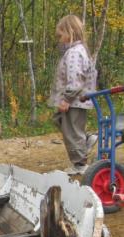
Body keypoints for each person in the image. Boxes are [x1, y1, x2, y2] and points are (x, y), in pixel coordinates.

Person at [48, 14, 98, 175]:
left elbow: (76, 77)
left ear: (70, 32)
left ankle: (80, 164)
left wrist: (67, 99)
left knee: (71, 131)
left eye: (60, 35)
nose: (59, 38)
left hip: (75, 100)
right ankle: (86, 140)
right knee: (62, 122)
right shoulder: (76, 50)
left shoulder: (74, 53)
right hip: (76, 100)